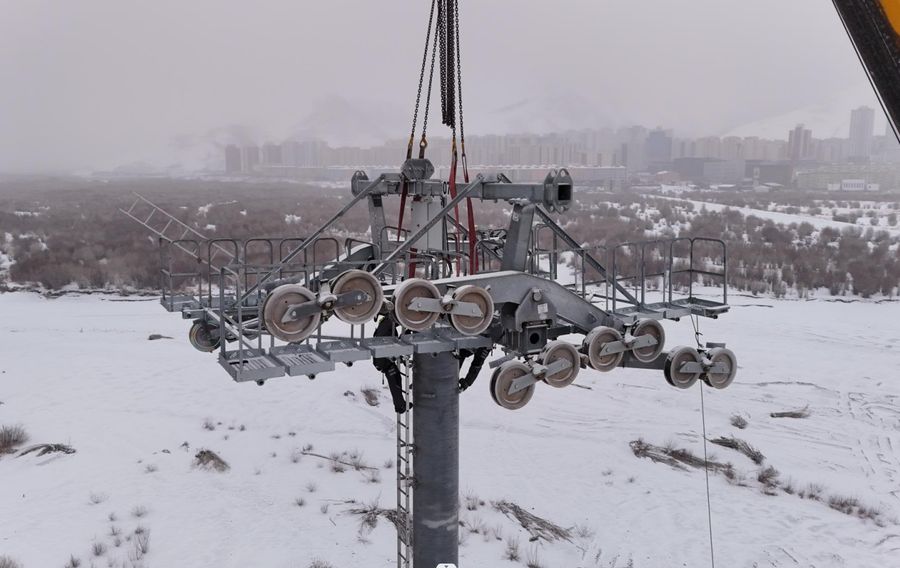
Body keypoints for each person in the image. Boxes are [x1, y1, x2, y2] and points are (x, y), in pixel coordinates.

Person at [371, 312, 410, 414]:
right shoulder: (387, 324)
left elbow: (391, 342)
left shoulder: (384, 325)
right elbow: (391, 342)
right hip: (383, 361)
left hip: (382, 360)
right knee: (395, 381)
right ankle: (399, 406)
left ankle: (400, 404)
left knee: (397, 379)